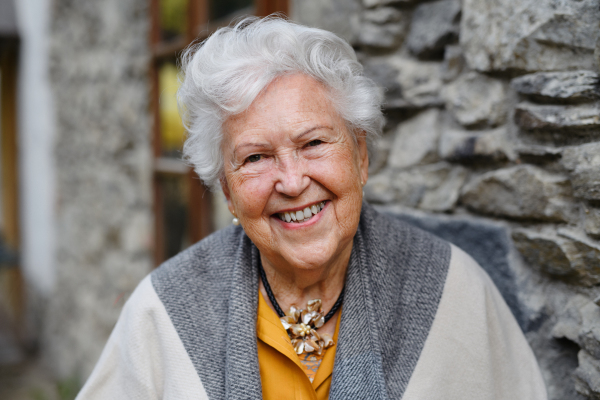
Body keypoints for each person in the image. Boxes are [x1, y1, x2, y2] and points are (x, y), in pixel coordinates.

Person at [76, 16, 547, 400]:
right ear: (227, 190)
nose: (293, 180)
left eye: (314, 142)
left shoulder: (452, 290)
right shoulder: (164, 311)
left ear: (360, 157)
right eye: (256, 157)